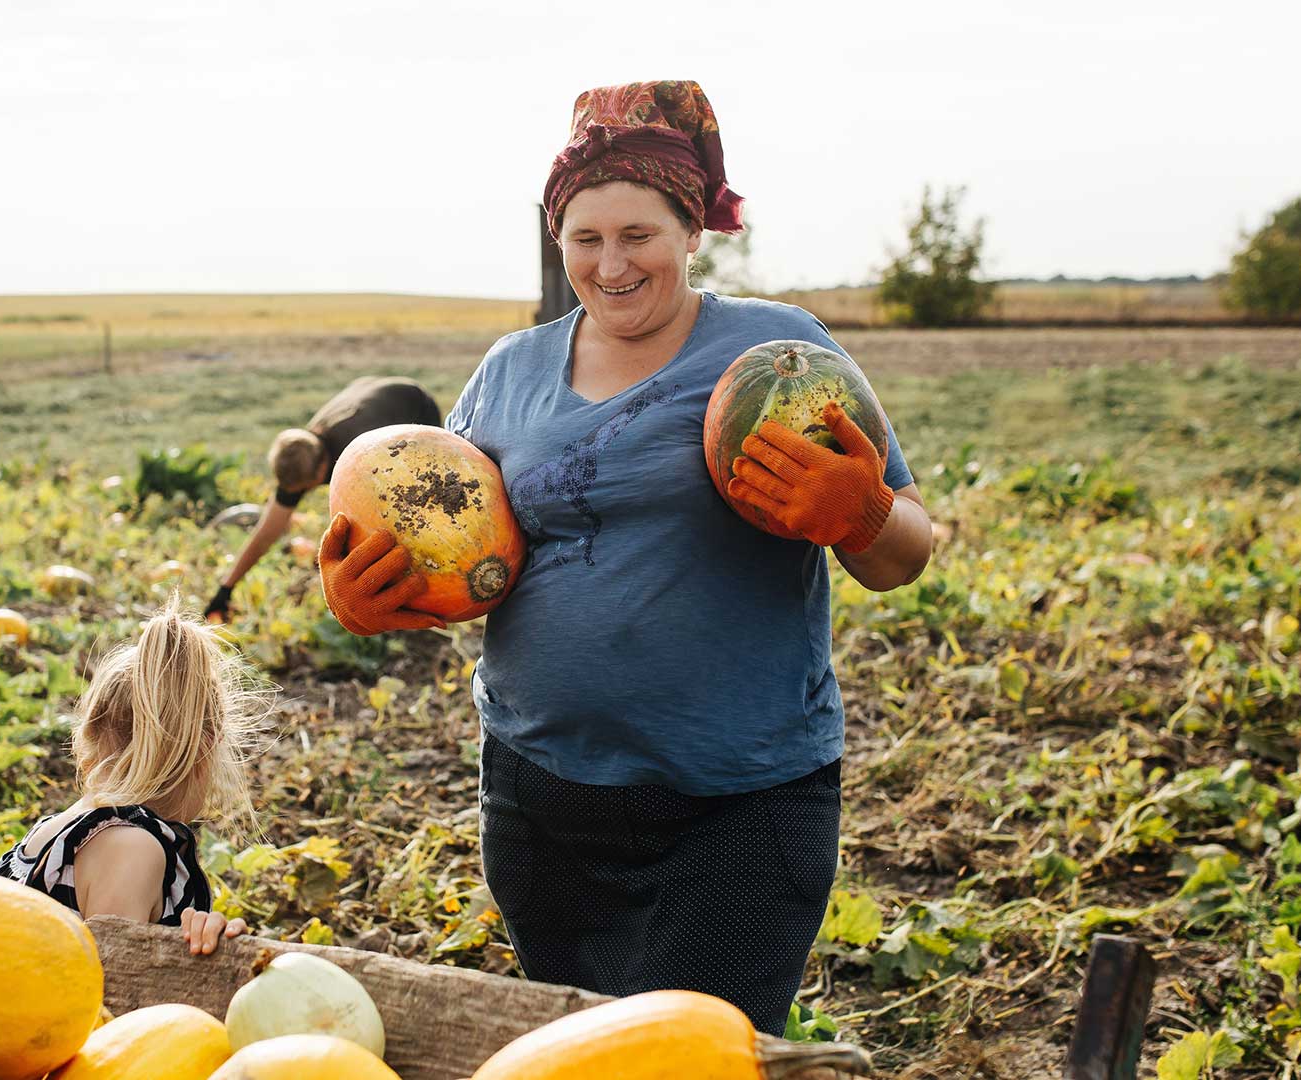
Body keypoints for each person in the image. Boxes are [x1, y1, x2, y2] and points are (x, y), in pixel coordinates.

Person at [316, 81, 932, 1036]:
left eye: (638, 235)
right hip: (540, 795)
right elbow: (452, 541)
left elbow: (903, 555)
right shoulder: (509, 371)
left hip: (741, 801)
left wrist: (863, 516)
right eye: (584, 238)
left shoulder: (780, 350)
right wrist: (368, 592)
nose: (610, 265)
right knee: (588, 1054)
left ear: (692, 230)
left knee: (695, 1054)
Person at [0, 605, 266, 955]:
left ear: (88, 737)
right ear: (206, 746)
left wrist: (198, 945)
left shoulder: (57, 831)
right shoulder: (132, 850)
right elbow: (115, 990)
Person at [203, 376, 441, 622]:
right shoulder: (300, 454)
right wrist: (226, 588)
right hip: (367, 389)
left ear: (321, 471)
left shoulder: (360, 454)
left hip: (413, 404)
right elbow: (267, 531)